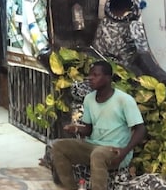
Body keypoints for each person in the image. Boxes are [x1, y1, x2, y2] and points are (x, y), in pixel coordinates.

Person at [50, 60, 146, 190]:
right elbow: (89, 130)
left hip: (115, 150)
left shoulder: (124, 100)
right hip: (93, 145)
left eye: (95, 75)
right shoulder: (89, 99)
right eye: (90, 75)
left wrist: (124, 152)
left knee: (98, 154)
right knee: (58, 146)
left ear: (108, 78)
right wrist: (76, 128)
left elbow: (140, 129)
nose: (90, 78)